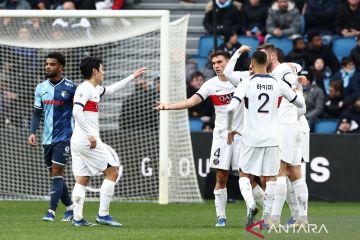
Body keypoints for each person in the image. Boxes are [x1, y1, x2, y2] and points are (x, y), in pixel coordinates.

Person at [155, 50, 263, 227]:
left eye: (220, 62)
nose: (217, 66)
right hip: (221, 136)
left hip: (243, 136)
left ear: (229, 63)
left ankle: (265, 212)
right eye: (214, 63)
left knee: (249, 178)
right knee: (221, 176)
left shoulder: (245, 78)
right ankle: (221, 217)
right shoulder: (210, 85)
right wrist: (169, 106)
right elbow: (191, 102)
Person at [226, 50, 304, 227]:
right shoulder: (278, 83)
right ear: (268, 63)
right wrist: (296, 89)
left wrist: (230, 128)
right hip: (273, 137)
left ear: (252, 64)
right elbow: (299, 103)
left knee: (244, 174)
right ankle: (267, 218)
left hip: (251, 136)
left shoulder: (246, 82)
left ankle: (251, 205)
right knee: (271, 178)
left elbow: (231, 109)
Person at [71, 56, 146, 227]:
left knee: (82, 179)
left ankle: (77, 218)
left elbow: (111, 89)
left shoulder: (94, 89)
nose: (104, 72)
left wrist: (132, 76)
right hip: (87, 140)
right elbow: (76, 112)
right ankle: (103, 215)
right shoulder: (85, 88)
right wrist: (91, 135)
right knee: (113, 172)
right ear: (95, 71)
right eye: (102, 68)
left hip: (77, 140)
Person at [257, 44, 309, 228]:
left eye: (262, 56)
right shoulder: (277, 72)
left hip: (285, 127)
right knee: (295, 173)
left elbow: (290, 76)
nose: (259, 59)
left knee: (277, 172)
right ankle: (302, 218)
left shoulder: (282, 71)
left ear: (271, 57)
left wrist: (298, 78)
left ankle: (273, 219)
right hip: (293, 126)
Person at [28, 52, 76, 222]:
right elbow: (36, 113)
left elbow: (80, 112)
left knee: (57, 172)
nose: (48, 66)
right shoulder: (40, 88)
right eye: (47, 63)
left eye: (52, 64)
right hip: (46, 138)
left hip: (65, 137)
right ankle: (71, 208)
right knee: (56, 176)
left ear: (61, 67)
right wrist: (32, 132)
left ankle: (51, 211)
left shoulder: (71, 88)